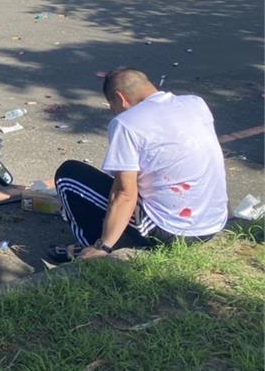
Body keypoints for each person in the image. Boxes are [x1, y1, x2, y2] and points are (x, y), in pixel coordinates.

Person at [53, 68, 229, 260]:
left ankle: (91, 249)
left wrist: (104, 245)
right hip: (213, 222)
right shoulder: (195, 103)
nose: (115, 112)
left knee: (68, 176)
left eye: (113, 107)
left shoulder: (126, 123)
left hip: (174, 230)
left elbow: (124, 194)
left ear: (120, 98)